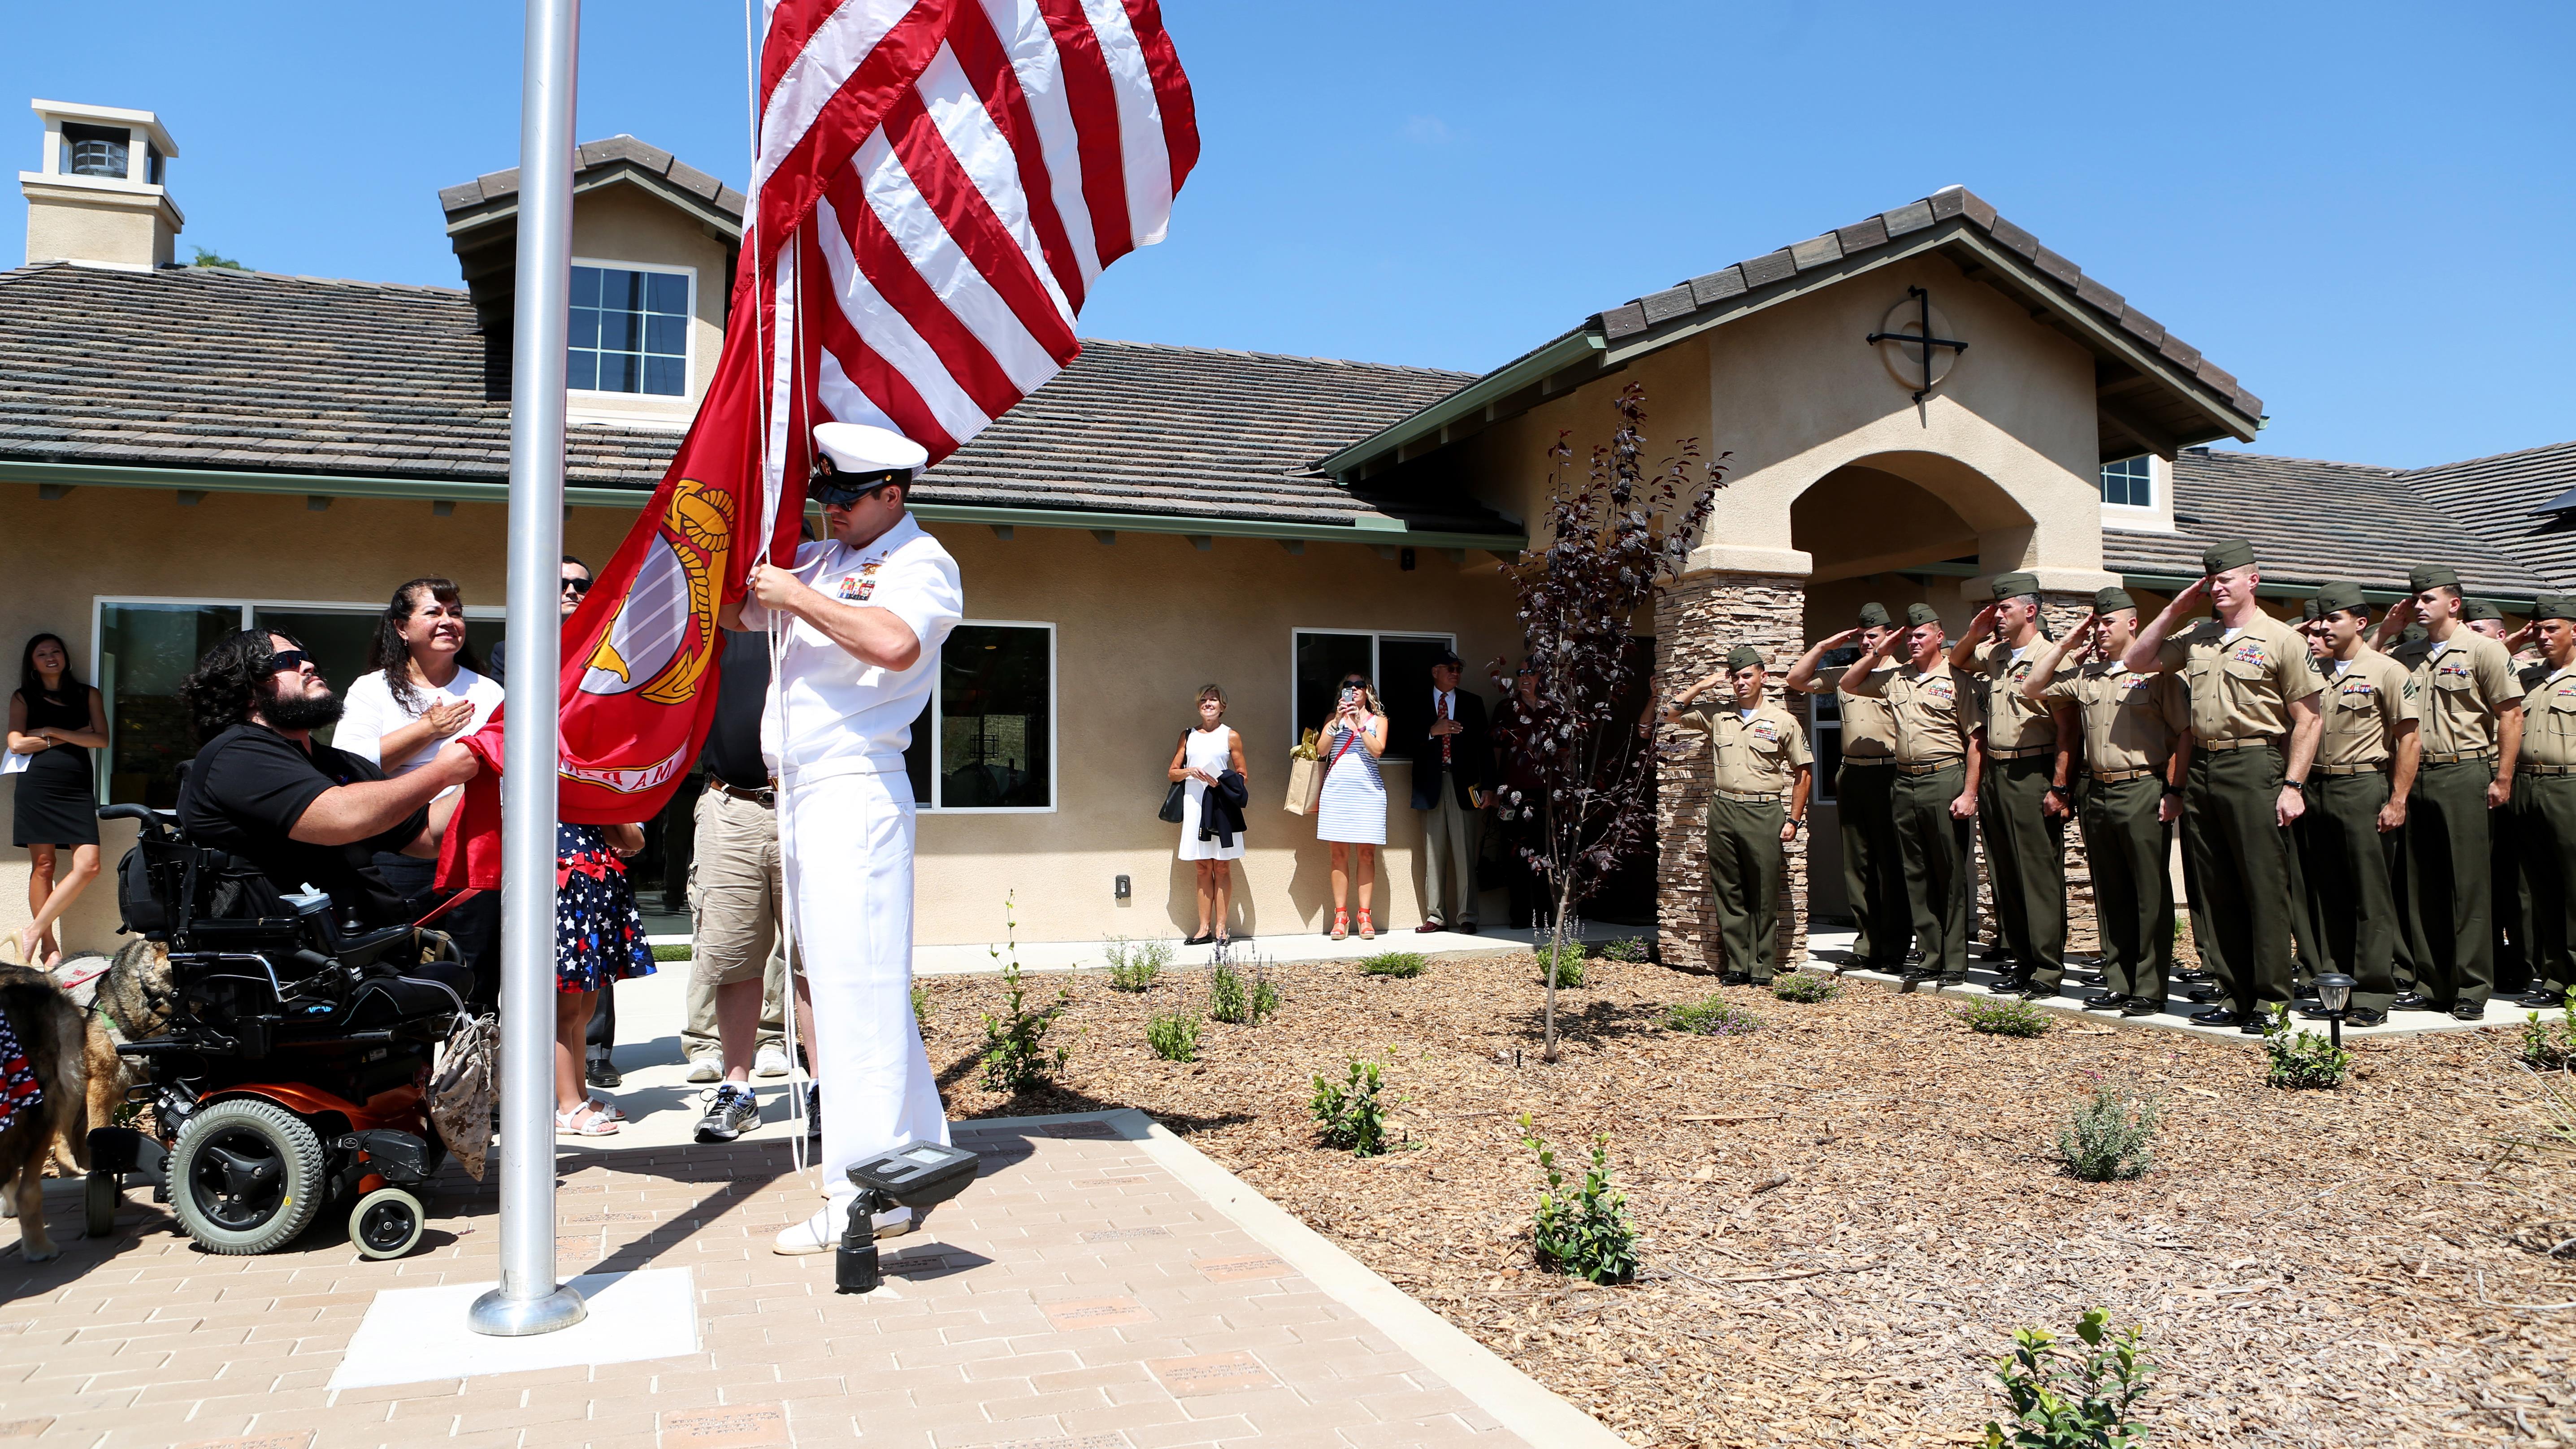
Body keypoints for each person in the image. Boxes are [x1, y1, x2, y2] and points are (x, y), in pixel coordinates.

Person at [722, 421, 962, 1255]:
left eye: (847, 498)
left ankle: (865, 1194)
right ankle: (918, 1151)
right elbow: (739, 611)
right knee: (854, 983)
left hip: (856, 790)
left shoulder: (920, 562)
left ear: (892, 494)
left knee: (852, 990)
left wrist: (797, 596)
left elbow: (895, 644)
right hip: (800, 796)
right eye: (824, 496)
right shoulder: (822, 558)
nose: (832, 511)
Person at [2122, 539, 2323, 1033]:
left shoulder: (2281, 639)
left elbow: (2309, 718)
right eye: (2210, 580)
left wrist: (2293, 784)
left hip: (2255, 765)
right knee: (2217, 891)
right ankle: (2235, 996)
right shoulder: (2198, 637)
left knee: (2263, 887)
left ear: (2252, 580)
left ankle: (2271, 1003)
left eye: (2224, 579)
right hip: (2204, 769)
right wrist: (2173, 608)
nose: (2216, 587)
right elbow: (2135, 660)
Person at [174, 629, 477, 936]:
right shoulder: (237, 755)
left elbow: (428, 836)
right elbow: (341, 818)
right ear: (247, 689)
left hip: (357, 955)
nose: (308, 666)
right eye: (289, 660)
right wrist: (443, 772)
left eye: (309, 660)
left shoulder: (338, 763)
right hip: (277, 970)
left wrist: (485, 769)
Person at [2020, 589, 2191, 1016]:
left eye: (2106, 623)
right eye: (2095, 623)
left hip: (2142, 787)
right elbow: (2032, 686)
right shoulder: (2088, 673)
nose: (2098, 631)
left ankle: (2150, 988)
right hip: (2097, 790)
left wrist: (2174, 790)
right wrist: (2065, 644)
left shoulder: (2157, 673)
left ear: (2132, 623)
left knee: (2149, 892)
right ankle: (2120, 981)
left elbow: (2183, 734)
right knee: (2110, 891)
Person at [334, 578, 504, 998]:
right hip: (395, 850)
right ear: (401, 628)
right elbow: (347, 769)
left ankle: (475, 1061)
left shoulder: (488, 691)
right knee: (395, 967)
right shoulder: (371, 689)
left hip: (473, 849)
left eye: (456, 612)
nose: (449, 621)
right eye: (434, 612)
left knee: (476, 969)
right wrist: (428, 730)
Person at [2373, 566, 2523, 1020]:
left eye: (2427, 598)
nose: (2418, 605)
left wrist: (2502, 777)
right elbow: (2361, 664)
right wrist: (2386, 630)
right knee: (2423, 884)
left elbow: (2510, 715)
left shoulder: (2483, 650)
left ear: (2454, 603)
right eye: (2414, 598)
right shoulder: (2408, 653)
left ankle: (2472, 986)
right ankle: (2432, 981)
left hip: (2464, 771)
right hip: (2414, 776)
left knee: (2468, 885)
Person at [686, 628, 807, 1145]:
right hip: (729, 806)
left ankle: (825, 1090)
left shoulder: (814, 624)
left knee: (813, 960)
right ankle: (736, 1091)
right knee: (734, 958)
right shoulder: (715, 623)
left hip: (808, 803)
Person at [2283, 582, 2419, 1027]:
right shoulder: (2310, 672)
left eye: (2334, 618)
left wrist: (2397, 799)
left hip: (2363, 788)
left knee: (2369, 895)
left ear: (2361, 623)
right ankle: (2335, 988)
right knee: (2327, 895)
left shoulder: (2387, 670)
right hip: (2315, 789)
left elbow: (2409, 739)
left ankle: (2374, 993)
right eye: (2319, 619)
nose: (2323, 626)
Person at [1950, 574, 2077, 999]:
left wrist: (2060, 786)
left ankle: (2047, 970)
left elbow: (2068, 731)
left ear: (2031, 611)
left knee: (2038, 874)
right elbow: (1958, 659)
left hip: (2033, 772)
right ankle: (2022, 963)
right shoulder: (1998, 655)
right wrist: (1975, 631)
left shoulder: (2053, 656)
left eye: (2005, 609)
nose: (1998, 615)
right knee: (2006, 874)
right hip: (1997, 775)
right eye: (1997, 608)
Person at [1842, 604, 1982, 986]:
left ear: (1940, 637)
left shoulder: (1958, 679)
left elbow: (1976, 741)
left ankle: (1954, 960)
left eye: (1921, 635)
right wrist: (1879, 649)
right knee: (1916, 873)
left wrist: (1970, 792)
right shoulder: (1896, 677)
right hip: (1904, 781)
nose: (1913, 641)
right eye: (1909, 636)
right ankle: (1931, 955)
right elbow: (1849, 684)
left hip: (1944, 778)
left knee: (1949, 871)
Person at [1661, 645, 1813, 984]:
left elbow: (1804, 771)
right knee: (1728, 888)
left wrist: (1794, 819)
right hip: (1724, 808)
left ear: (1763, 677)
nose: (1741, 682)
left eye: (1747, 675)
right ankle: (1737, 964)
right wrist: (1701, 686)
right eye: (1735, 677)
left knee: (1763, 889)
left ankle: (1762, 966)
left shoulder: (1782, 721)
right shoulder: (1717, 715)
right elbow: (1669, 714)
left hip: (1763, 810)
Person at [1785, 604, 1909, 972]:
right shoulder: (1846, 675)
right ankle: (1866, 943)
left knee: (1893, 864)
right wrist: (1825, 646)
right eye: (1862, 637)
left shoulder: (1903, 674)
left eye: (1874, 635)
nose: (1867, 642)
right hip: (1852, 774)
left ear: (1890, 636)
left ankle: (1894, 947)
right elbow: (1797, 679)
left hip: (1890, 773)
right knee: (1858, 865)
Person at [9, 634, 107, 967]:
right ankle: (49, 947)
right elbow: (17, 745)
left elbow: (101, 739)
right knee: (44, 866)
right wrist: (69, 736)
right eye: (42, 654)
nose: (51, 657)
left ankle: (31, 931)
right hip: (37, 786)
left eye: (56, 652)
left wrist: (50, 731)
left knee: (89, 865)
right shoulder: (23, 697)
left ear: (65, 656)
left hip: (76, 788)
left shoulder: (88, 694)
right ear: (32, 662)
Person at [2510, 595, 2576, 1010]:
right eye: (2538, 628)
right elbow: (2481, 661)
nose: (2542, 636)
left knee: (2574, 886)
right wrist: (2516, 639)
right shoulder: (2527, 677)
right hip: (2526, 787)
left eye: (2552, 628)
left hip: (2570, 786)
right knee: (2541, 887)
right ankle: (2555, 976)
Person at [1413, 651, 1492, 934]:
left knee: (1465, 852)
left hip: (1466, 785)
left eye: (1459, 668)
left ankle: (1468, 916)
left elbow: (1485, 750)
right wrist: (1432, 731)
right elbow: (1401, 740)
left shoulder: (1473, 702)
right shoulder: (1418, 701)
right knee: (1434, 853)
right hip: (1431, 785)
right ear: (1435, 671)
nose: (1456, 673)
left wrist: (1490, 788)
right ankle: (1436, 917)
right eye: (1450, 668)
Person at [1168, 685, 1248, 946]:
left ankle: (1222, 927)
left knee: (1222, 865)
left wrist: (1221, 780)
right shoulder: (1188, 736)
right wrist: (1190, 771)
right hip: (1194, 803)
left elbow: (1242, 774)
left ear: (1222, 706)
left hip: (1221, 804)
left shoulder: (1231, 735)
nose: (1208, 703)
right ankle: (1204, 928)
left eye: (1214, 700)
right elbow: (1172, 772)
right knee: (1202, 866)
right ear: (1198, 706)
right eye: (1204, 699)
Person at [1314, 672, 1389, 941]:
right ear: (1342, 691)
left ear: (1368, 691)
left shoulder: (1378, 721)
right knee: (1338, 855)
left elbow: (1377, 750)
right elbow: (1322, 751)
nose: (1355, 689)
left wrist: (1359, 724)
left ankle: (1365, 916)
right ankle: (1341, 915)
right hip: (1337, 792)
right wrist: (1337, 721)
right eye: (1349, 686)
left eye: (1360, 686)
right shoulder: (1332, 720)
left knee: (1367, 854)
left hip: (1368, 793)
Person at [482, 556, 591, 687]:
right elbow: (504, 704)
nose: (571, 592)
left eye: (582, 586)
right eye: (560, 585)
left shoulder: (610, 644)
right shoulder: (511, 651)